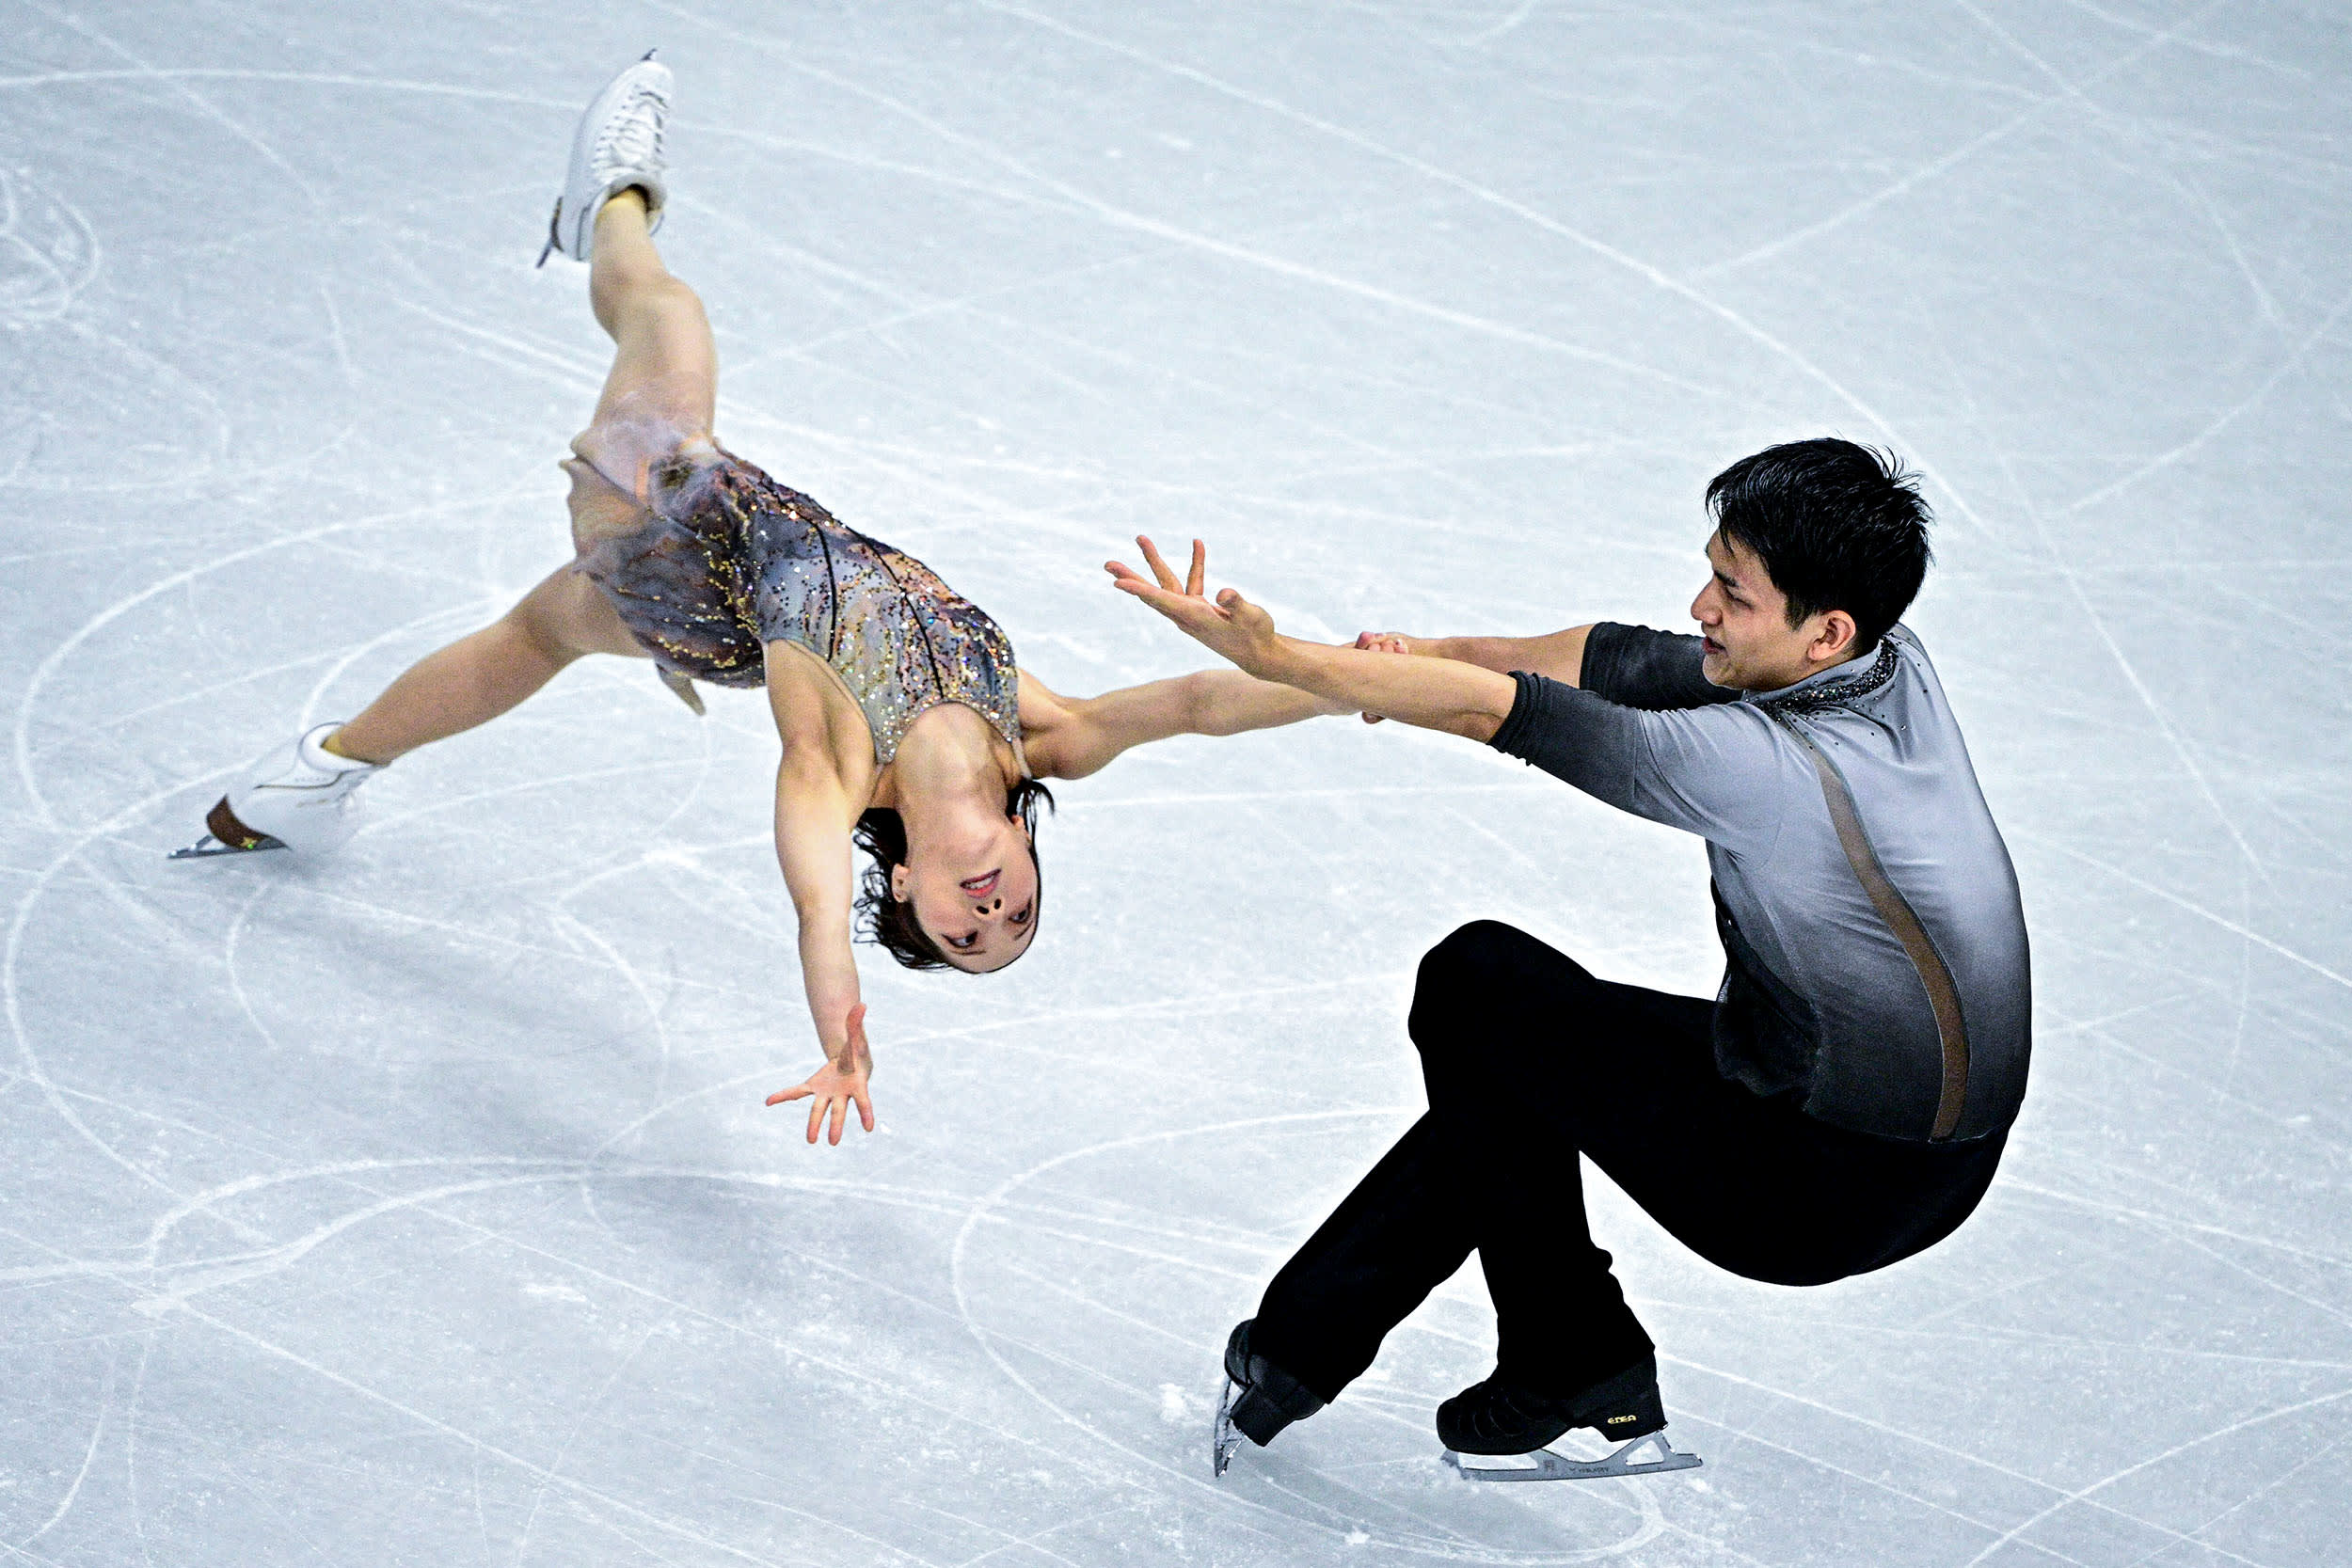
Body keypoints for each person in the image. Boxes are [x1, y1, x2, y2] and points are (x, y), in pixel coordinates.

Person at [178, 55, 1352, 1146]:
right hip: (729, 591)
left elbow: (810, 907)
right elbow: (1199, 703)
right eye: (1016, 923)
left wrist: (837, 1034)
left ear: (906, 887)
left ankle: (607, 205)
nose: (989, 915)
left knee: (666, 321)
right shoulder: (1038, 734)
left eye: (961, 934)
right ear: (1031, 868)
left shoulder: (835, 768)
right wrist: (1352, 681)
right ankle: (311, 775)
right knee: (535, 635)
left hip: (667, 527)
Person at [1108, 438, 2030, 1477]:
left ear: (1824, 630)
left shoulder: (1771, 769)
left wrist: (1285, 661)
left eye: (1732, 589)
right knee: (1518, 1064)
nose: (1700, 604)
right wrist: (1417, 652)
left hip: (1821, 1191)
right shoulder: (1883, 664)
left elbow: (1502, 712)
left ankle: (1571, 1351)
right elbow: (1616, 658)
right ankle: (1292, 1351)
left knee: (1480, 982)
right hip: (1934, 1152)